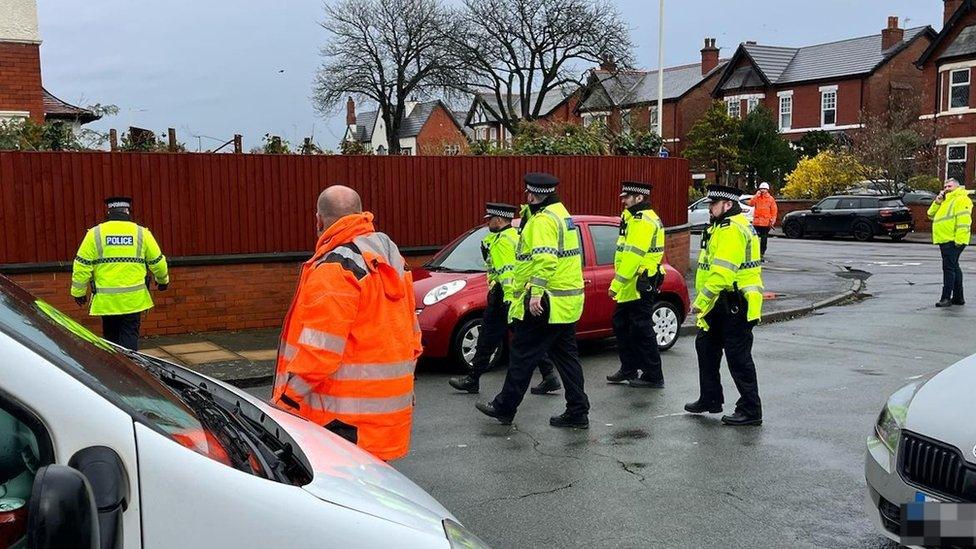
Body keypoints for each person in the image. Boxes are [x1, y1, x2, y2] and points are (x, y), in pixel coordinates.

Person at [271, 185, 422, 461]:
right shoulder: (393, 262)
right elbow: (413, 337)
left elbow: (320, 353)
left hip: (343, 423)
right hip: (386, 420)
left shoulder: (335, 268)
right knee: (374, 497)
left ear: (318, 220)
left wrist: (285, 400)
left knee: (342, 500)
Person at [476, 173, 590, 429]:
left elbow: (545, 259)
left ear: (535, 194)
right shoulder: (562, 214)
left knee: (522, 354)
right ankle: (578, 410)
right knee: (567, 359)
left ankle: (504, 407)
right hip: (565, 303)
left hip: (546, 302)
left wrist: (535, 293)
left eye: (529, 194)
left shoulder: (543, 221)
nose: (526, 198)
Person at [448, 203, 561, 395]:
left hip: (506, 298)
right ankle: (474, 378)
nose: (487, 223)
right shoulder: (502, 238)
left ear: (499, 220)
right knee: (493, 338)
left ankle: (474, 379)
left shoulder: (505, 241)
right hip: (504, 296)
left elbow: (510, 273)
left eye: (489, 219)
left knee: (516, 340)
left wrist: (509, 300)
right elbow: (496, 270)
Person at [685, 185, 764, 427]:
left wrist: (700, 301)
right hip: (722, 302)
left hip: (735, 302)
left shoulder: (731, 229)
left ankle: (751, 409)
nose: (709, 208)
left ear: (727, 205)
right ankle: (710, 398)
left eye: (713, 204)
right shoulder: (720, 227)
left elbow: (722, 274)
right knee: (705, 346)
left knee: (738, 358)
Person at [70, 197, 169, 350]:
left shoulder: (95, 234)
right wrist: (163, 281)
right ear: (128, 211)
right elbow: (158, 262)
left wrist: (78, 292)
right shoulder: (141, 233)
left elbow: (82, 265)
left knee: (111, 337)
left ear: (108, 212)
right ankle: (132, 367)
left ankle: (115, 369)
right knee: (129, 335)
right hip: (133, 300)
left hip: (107, 300)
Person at [606, 181, 666, 388]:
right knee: (621, 324)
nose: (622, 200)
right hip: (631, 282)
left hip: (640, 282)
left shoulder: (643, 221)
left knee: (642, 328)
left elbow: (633, 256)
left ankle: (653, 375)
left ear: (639, 198)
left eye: (626, 196)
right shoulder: (630, 217)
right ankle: (629, 368)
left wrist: (616, 283)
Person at [928, 177, 973, 307]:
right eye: (945, 186)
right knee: (954, 267)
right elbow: (930, 214)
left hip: (953, 240)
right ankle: (958, 298)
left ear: (957, 187)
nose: (946, 189)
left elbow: (964, 222)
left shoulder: (961, 199)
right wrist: (937, 201)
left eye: (949, 186)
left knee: (948, 268)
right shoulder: (945, 201)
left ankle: (946, 298)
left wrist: (959, 240)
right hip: (945, 239)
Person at [748, 182, 778, 260]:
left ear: (767, 190)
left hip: (766, 222)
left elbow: (774, 210)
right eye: (761, 189)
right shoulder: (757, 197)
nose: (763, 190)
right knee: (754, 238)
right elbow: (750, 203)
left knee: (764, 239)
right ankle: (755, 251)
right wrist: (755, 196)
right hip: (757, 222)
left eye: (764, 189)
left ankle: (762, 252)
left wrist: (773, 220)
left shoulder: (770, 199)